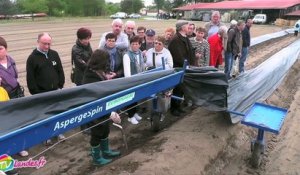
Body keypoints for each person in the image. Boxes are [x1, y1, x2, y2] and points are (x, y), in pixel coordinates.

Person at [82, 49, 121, 165]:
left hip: (103, 110)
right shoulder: (90, 77)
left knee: (105, 130)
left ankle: (106, 151)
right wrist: (110, 113)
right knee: (96, 133)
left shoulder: (98, 72)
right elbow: (96, 98)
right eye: (106, 61)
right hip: (94, 111)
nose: (108, 64)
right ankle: (97, 158)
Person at [26, 33, 65, 144]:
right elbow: (30, 79)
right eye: (44, 44)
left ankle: (59, 132)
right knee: (45, 115)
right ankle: (46, 136)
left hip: (56, 91)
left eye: (49, 44)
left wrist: (60, 85)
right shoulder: (32, 58)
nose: (47, 46)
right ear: (38, 41)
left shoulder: (54, 54)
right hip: (42, 94)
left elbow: (60, 70)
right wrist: (36, 93)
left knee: (57, 113)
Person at [0, 36, 29, 157]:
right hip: (4, 98)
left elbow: (16, 77)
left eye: (0, 48)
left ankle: (19, 147)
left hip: (16, 94)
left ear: (6, 48)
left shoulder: (11, 60)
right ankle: (7, 150)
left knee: (18, 121)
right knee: (6, 124)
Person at [168, 20, 195, 116]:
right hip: (179, 68)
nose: (189, 27)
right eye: (187, 26)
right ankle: (174, 108)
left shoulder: (184, 37)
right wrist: (186, 65)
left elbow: (190, 52)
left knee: (182, 88)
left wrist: (192, 64)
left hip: (185, 67)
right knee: (177, 88)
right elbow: (178, 56)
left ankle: (178, 106)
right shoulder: (176, 40)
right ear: (182, 27)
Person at [123, 36, 144, 124]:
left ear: (139, 45)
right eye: (133, 44)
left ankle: (134, 113)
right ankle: (130, 116)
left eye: (136, 44)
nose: (135, 46)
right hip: (132, 81)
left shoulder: (140, 53)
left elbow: (142, 65)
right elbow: (127, 72)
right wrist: (131, 82)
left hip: (139, 79)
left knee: (136, 98)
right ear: (130, 45)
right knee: (131, 99)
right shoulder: (127, 55)